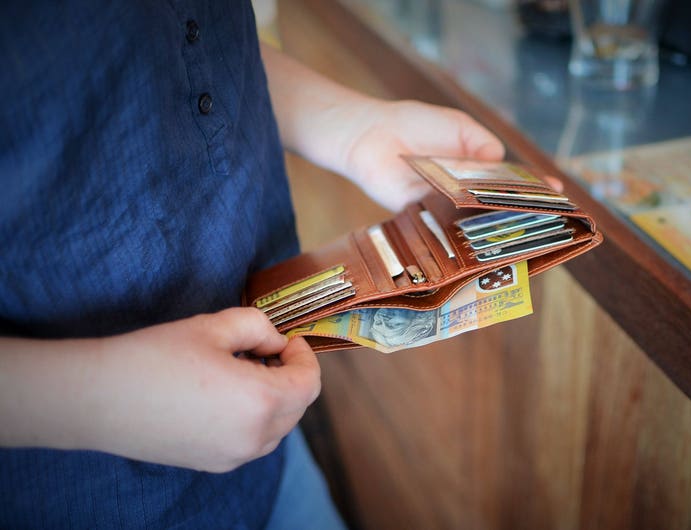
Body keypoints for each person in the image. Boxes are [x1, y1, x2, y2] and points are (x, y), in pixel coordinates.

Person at [0, 1, 505, 528]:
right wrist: (103, 400)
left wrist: (352, 129)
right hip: (69, 496)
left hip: (272, 463)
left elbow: (180, 46)